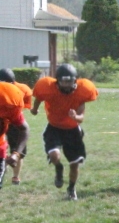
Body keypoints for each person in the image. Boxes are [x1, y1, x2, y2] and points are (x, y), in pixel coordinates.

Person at [31, 63, 99, 201]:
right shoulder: (48, 88)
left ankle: (71, 189)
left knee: (74, 163)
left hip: (72, 130)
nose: (67, 84)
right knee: (55, 155)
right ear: (58, 81)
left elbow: (81, 118)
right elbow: (39, 97)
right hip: (54, 127)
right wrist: (35, 109)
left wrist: (75, 117)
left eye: (70, 81)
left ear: (75, 80)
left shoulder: (82, 91)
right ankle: (58, 168)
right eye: (64, 81)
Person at [0, 69, 32, 185]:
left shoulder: (19, 92)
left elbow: (24, 128)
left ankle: (15, 176)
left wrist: (16, 154)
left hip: (11, 121)